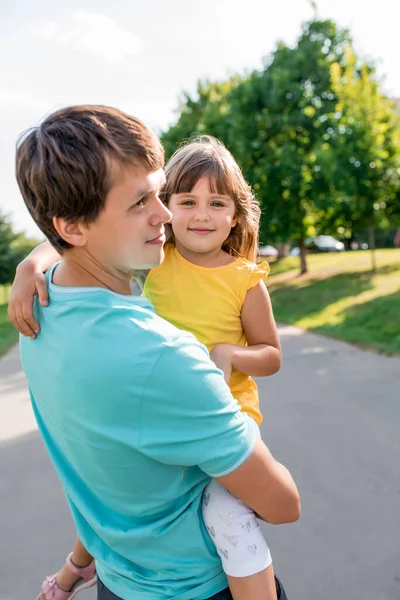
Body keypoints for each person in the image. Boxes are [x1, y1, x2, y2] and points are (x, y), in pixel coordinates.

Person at [11, 106, 300, 600]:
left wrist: (32, 258)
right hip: (197, 588)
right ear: (73, 227)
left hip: (118, 581)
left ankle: (71, 571)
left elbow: (67, 242)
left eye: (158, 191)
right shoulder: (168, 358)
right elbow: (283, 504)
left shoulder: (39, 310)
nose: (166, 215)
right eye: (143, 200)